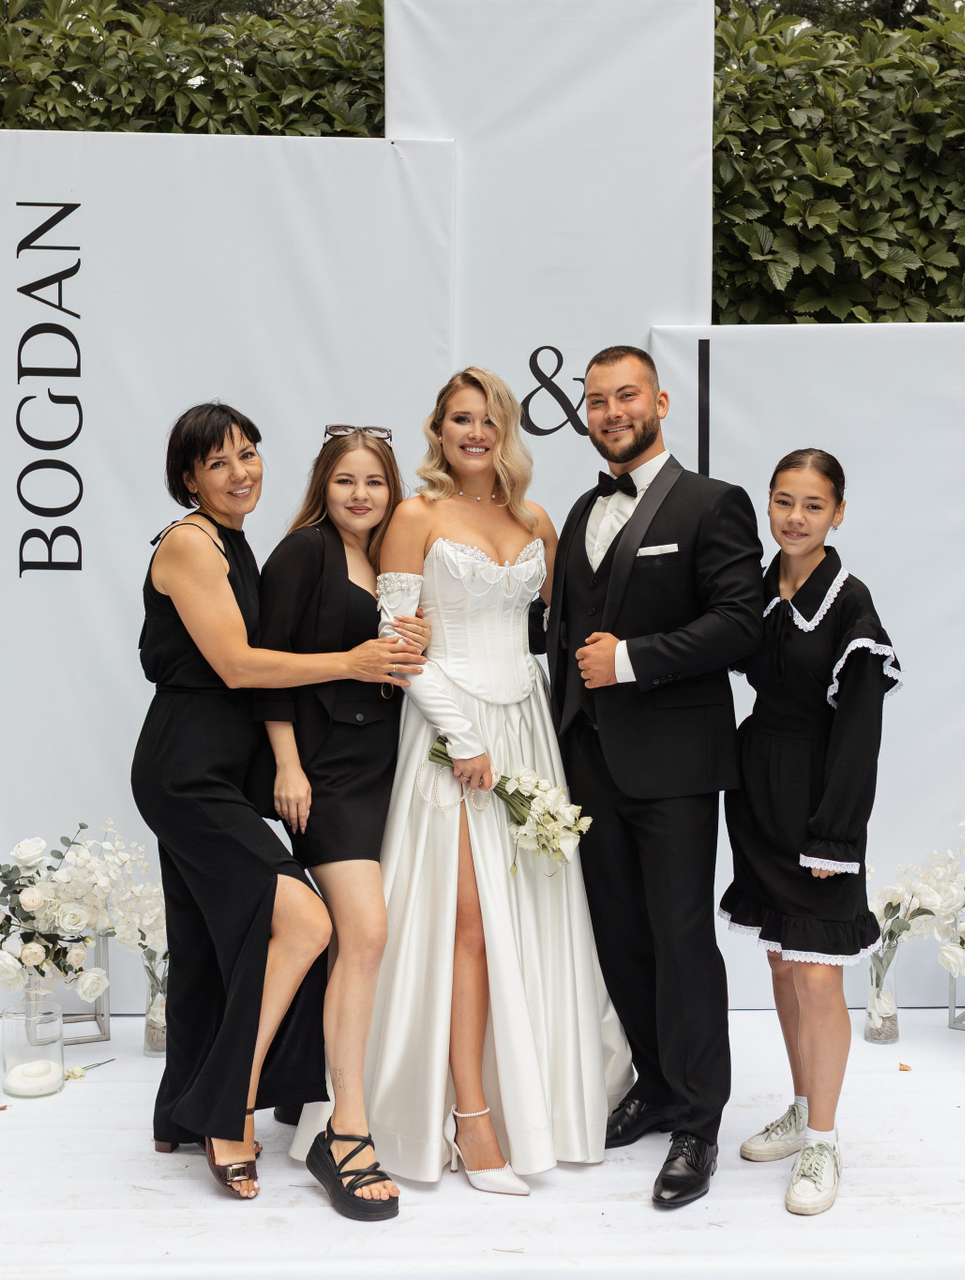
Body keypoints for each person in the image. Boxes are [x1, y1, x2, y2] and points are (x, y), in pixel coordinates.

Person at [130, 403, 425, 1200]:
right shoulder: (189, 543)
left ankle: (180, 1111)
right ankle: (227, 1110)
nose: (241, 472)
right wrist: (350, 663)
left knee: (205, 945)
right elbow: (238, 664)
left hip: (224, 771)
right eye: (219, 462)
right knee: (306, 921)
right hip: (187, 771)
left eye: (250, 454)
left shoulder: (236, 542)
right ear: (189, 479)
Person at [362, 366, 628, 1195]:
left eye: (489, 419)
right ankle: (469, 1119)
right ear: (438, 431)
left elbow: (554, 629)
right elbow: (401, 648)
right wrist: (462, 734)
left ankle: (532, 1106)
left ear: (507, 430)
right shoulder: (414, 516)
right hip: (453, 734)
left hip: (527, 731)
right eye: (460, 419)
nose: (475, 433)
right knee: (467, 924)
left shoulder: (535, 520)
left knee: (532, 916)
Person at [544, 345, 764, 1210]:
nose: (611, 412)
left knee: (681, 941)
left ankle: (699, 1121)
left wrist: (632, 659)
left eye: (626, 395)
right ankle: (658, 1086)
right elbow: (564, 635)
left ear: (660, 402)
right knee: (620, 937)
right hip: (589, 761)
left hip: (674, 766)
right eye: (597, 400)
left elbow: (740, 624)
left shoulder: (713, 503)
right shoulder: (578, 510)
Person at [721, 448, 899, 1216]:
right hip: (759, 791)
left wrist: (835, 837)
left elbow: (859, 734)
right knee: (783, 964)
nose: (795, 518)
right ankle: (801, 1108)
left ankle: (824, 1140)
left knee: (820, 975)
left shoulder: (850, 606)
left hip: (818, 803)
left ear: (838, 513)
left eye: (813, 505)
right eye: (783, 501)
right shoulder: (759, 588)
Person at [254, 426, 411, 1221]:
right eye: (346, 480)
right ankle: (346, 1129)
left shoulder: (391, 559)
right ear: (324, 484)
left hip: (392, 766)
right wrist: (288, 765)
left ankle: (305, 1096)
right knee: (367, 934)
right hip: (328, 773)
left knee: (368, 940)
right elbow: (266, 663)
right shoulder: (304, 552)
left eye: (374, 481)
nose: (360, 494)